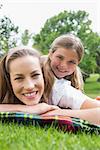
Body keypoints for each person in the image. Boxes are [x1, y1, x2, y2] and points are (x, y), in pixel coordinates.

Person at [0, 46, 100, 125]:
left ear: (43, 74)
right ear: (9, 80)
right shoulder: (4, 88)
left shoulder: (58, 90)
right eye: (18, 78)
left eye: (35, 75)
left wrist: (56, 113)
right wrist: (30, 109)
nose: (29, 86)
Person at [42, 33, 100, 110]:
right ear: (51, 54)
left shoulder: (69, 84)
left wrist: (90, 102)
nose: (64, 65)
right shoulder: (58, 88)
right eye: (60, 57)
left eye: (71, 62)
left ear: (77, 64)